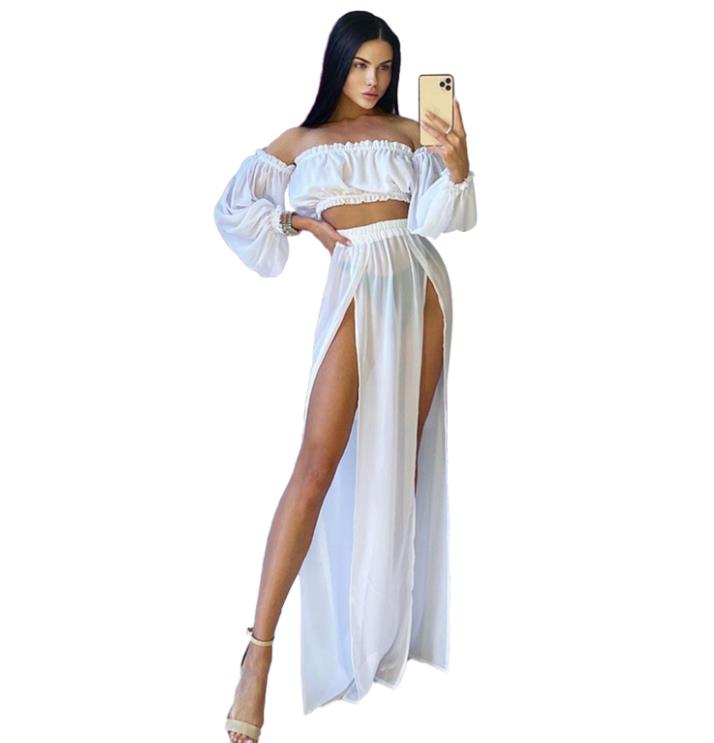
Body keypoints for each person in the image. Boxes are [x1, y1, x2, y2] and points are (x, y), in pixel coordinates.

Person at [214, 10, 477, 742]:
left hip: (419, 283)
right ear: (338, 64)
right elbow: (233, 209)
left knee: (401, 460)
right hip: (358, 280)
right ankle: (258, 653)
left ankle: (379, 628)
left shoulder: (412, 132)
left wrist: (458, 166)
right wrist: (300, 223)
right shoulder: (302, 142)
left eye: (386, 67)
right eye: (361, 65)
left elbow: (444, 215)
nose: (374, 80)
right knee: (316, 465)